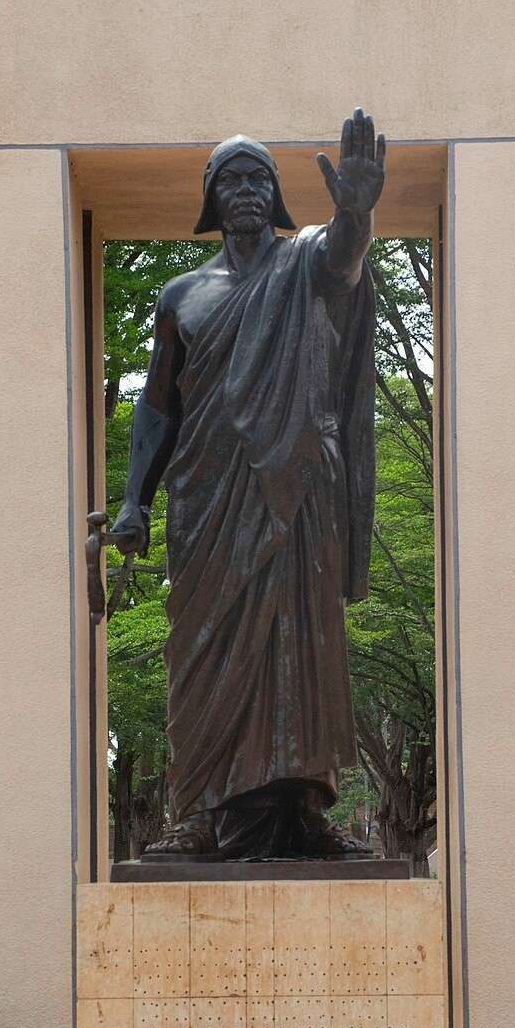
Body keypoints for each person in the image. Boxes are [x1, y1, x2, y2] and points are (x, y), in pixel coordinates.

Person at [110, 109, 384, 858]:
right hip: (206, 503)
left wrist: (355, 213)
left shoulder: (306, 264)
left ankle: (302, 810)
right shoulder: (182, 297)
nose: (246, 192)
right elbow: (158, 406)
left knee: (301, 639)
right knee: (201, 648)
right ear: (211, 200)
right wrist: (134, 497)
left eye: (258, 179)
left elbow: (344, 261)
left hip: (294, 493)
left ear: (277, 197)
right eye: (230, 181)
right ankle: (199, 809)